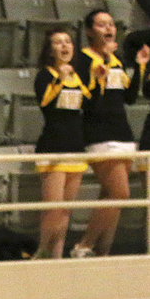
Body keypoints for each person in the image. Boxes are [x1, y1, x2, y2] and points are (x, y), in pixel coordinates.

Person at [70, 10, 147, 257]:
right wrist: (97, 78)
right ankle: (83, 246)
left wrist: (141, 67)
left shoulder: (117, 59)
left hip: (122, 131)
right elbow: (85, 102)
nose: (108, 29)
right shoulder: (82, 59)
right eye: (102, 25)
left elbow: (130, 98)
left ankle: (103, 253)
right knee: (120, 193)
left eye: (111, 24)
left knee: (110, 197)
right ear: (90, 31)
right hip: (99, 132)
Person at [33, 28, 91, 259]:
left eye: (68, 42)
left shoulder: (78, 76)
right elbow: (45, 102)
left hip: (76, 145)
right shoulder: (45, 75)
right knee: (53, 208)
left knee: (66, 210)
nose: (64, 46)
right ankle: (43, 253)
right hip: (53, 145)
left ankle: (57, 257)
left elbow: (89, 102)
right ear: (50, 50)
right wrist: (60, 77)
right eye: (58, 43)